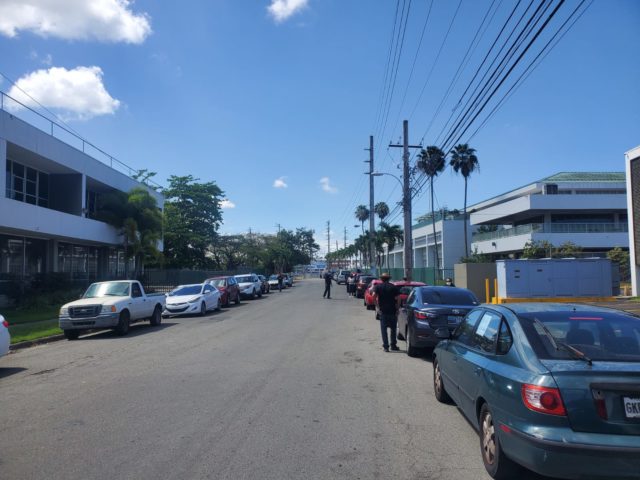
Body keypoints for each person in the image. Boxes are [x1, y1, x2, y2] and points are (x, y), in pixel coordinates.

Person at [374, 272, 401, 352]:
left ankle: (386, 347)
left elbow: (373, 296)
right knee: (393, 329)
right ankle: (393, 345)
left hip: (383, 311)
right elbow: (399, 298)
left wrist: (377, 307)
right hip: (392, 311)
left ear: (381, 279)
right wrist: (397, 308)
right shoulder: (393, 287)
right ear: (389, 279)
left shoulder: (378, 287)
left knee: (384, 330)